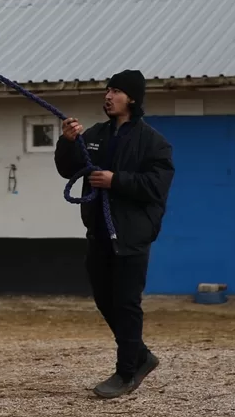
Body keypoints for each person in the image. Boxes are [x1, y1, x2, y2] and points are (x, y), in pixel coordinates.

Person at [55, 69, 174, 399]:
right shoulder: (95, 135)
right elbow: (68, 168)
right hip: (98, 234)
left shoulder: (154, 143)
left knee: (126, 303)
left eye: (117, 91)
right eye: (107, 90)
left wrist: (115, 180)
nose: (108, 96)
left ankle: (126, 373)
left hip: (131, 236)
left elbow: (156, 186)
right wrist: (67, 142)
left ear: (132, 99)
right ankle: (141, 357)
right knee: (105, 300)